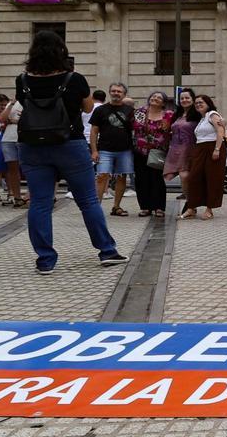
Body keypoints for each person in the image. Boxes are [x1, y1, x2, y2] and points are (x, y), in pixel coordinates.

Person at [15, 30, 125, 273]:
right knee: (87, 201)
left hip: (33, 146)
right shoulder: (74, 79)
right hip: (69, 143)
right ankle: (107, 251)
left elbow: (25, 106)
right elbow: (87, 108)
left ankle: (45, 260)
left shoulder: (22, 80)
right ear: (61, 51)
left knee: (40, 203)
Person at [89, 82, 134, 216]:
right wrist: (94, 150)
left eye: (119, 92)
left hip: (125, 150)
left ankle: (116, 206)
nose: (116, 93)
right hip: (105, 150)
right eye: (113, 91)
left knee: (122, 177)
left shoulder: (130, 111)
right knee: (102, 177)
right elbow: (94, 132)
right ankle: (96, 208)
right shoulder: (100, 110)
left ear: (124, 94)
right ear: (109, 92)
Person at [182, 94, 227, 220]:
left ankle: (209, 209)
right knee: (194, 178)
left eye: (201, 102)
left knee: (212, 178)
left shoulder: (212, 114)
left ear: (208, 103)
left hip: (213, 147)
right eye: (196, 103)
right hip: (200, 149)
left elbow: (220, 131)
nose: (198, 104)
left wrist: (217, 149)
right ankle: (191, 208)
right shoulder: (202, 119)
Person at [133, 90, 173, 217]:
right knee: (141, 179)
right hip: (140, 151)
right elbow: (132, 127)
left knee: (157, 179)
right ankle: (145, 207)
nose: (155, 98)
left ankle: (159, 207)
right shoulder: (140, 112)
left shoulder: (168, 115)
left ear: (163, 103)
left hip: (158, 152)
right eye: (153, 96)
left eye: (159, 98)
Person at [164, 88, 197, 199]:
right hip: (176, 149)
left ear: (193, 99)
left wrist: (222, 122)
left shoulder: (198, 114)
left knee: (184, 175)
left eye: (187, 98)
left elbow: (213, 120)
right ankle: (187, 197)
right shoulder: (177, 114)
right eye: (182, 98)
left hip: (191, 149)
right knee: (182, 175)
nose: (184, 100)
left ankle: (189, 201)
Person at [0, 94, 27, 207]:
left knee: (28, 168)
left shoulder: (29, 100)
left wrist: (17, 121)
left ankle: (30, 196)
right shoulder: (12, 103)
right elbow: (2, 118)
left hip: (24, 138)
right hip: (8, 139)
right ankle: (16, 197)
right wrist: (11, 105)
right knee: (12, 169)